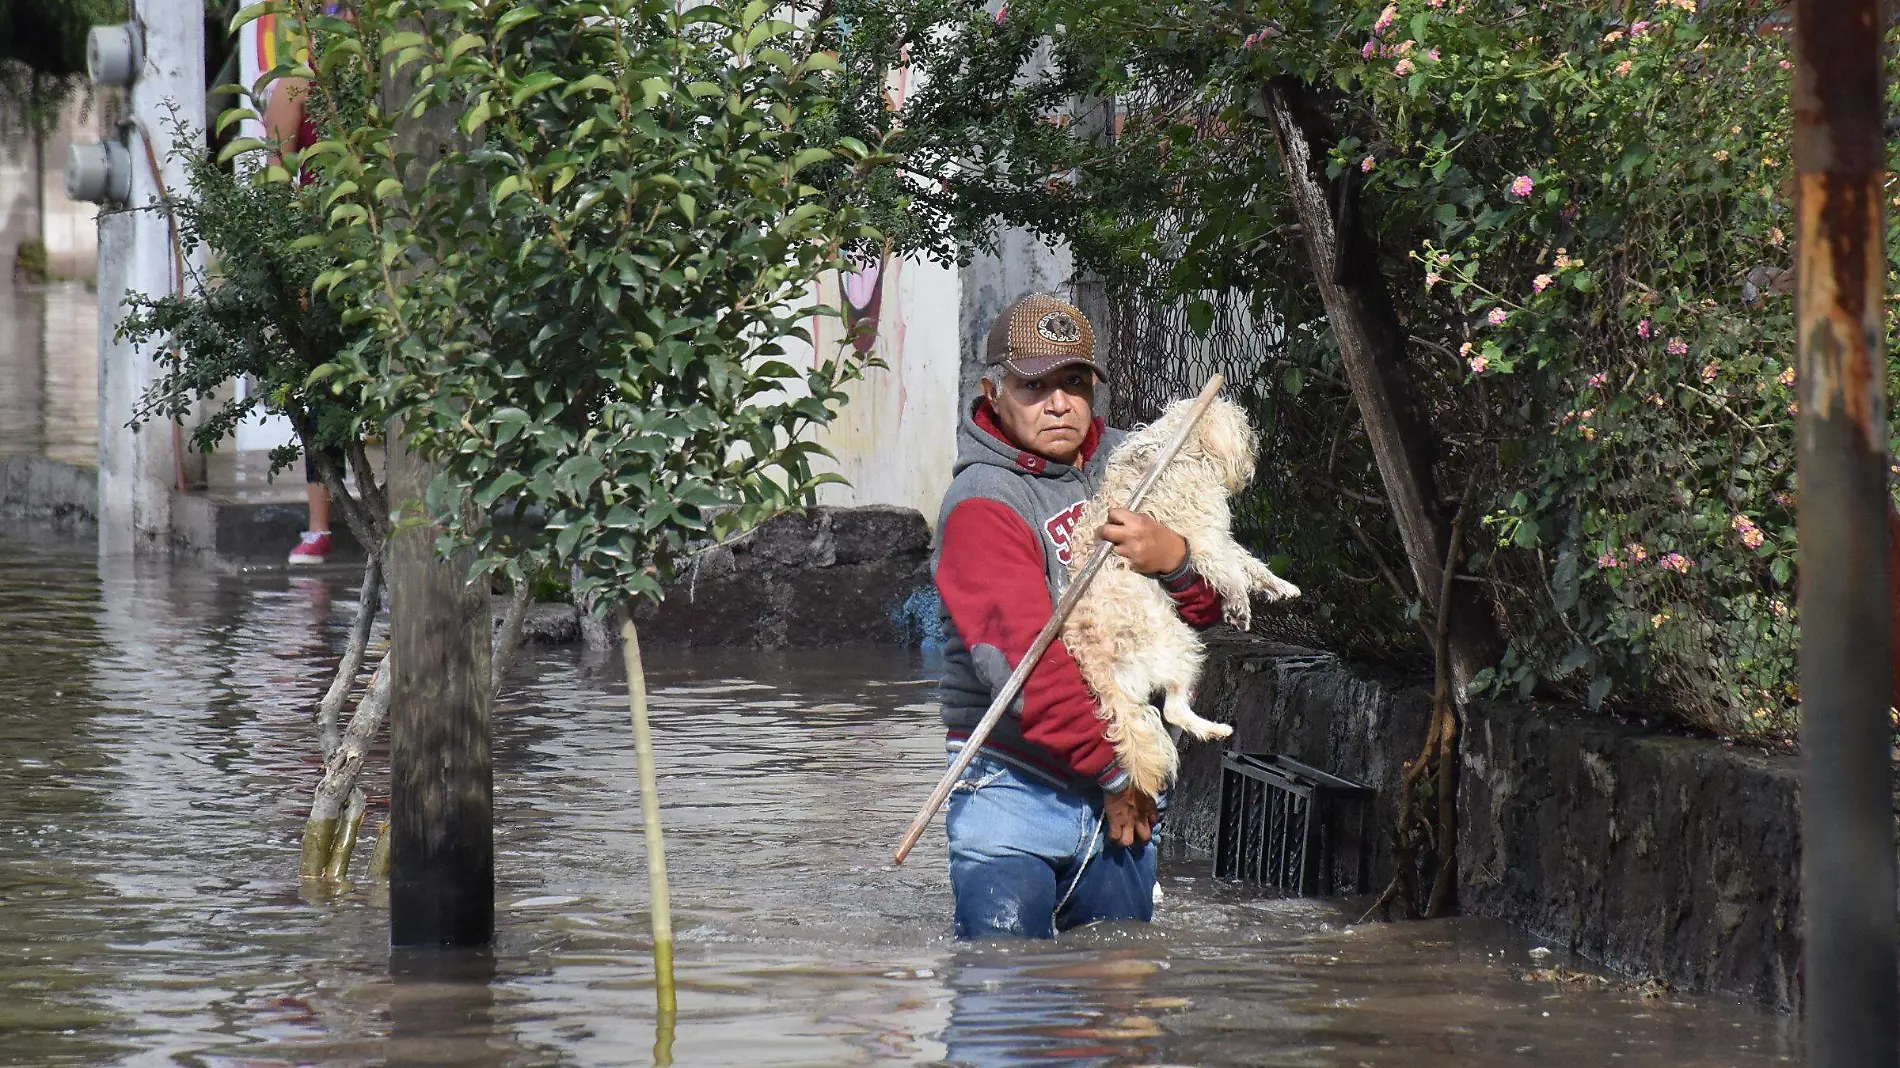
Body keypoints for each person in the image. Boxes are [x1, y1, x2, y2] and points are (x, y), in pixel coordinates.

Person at [934, 292, 1225, 939]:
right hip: (1013, 787)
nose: (1058, 402)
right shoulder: (982, 504)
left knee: (1115, 1001)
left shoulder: (1135, 468)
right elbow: (1024, 673)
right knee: (1003, 994)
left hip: (1125, 792)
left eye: (1073, 382)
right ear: (993, 390)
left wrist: (1171, 556)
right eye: (1034, 386)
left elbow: (1206, 613)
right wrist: (1121, 772)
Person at [262, 5, 349, 565]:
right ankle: (319, 525)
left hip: (379, 254)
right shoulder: (295, 87)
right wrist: (287, 266)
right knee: (321, 387)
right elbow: (276, 179)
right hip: (321, 255)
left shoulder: (381, 89)